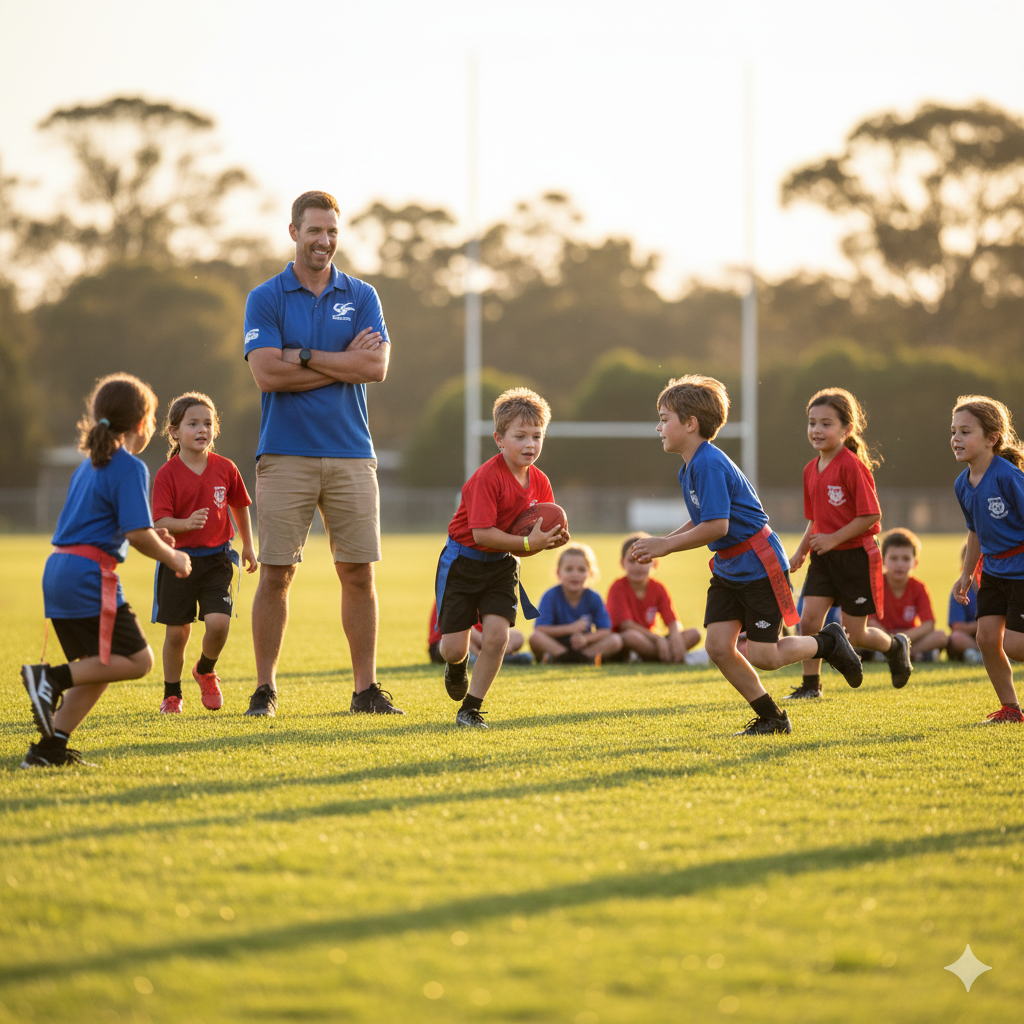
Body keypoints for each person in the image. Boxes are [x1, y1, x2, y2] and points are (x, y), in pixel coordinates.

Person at [630, 375, 863, 736]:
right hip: (728, 566)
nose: (658, 427)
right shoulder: (690, 466)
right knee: (719, 647)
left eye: (664, 418)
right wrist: (662, 540)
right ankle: (772, 717)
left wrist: (665, 546)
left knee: (764, 656)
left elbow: (717, 527)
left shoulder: (707, 463)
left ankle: (828, 641)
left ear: (690, 424)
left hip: (758, 564)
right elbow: (701, 519)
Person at [243, 191, 401, 717]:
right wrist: (340, 362)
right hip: (285, 453)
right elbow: (267, 373)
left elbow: (375, 369)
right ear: (293, 233)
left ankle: (365, 691)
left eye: (332, 231)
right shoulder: (265, 297)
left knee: (358, 573)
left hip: (352, 454)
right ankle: (265, 689)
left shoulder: (361, 295)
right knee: (276, 572)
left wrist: (304, 357)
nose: (324, 241)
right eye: (315, 231)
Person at [20, 374, 191, 767]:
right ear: (143, 422)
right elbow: (136, 534)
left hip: (60, 570)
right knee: (137, 661)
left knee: (98, 667)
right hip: (88, 576)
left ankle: (48, 751)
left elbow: (110, 521)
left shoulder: (91, 463)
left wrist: (152, 530)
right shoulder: (130, 466)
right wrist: (173, 556)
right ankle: (50, 681)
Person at [434, 388, 568, 728]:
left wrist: (550, 540)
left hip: (502, 564)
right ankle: (455, 665)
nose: (530, 444)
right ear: (499, 439)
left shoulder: (540, 481)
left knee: (497, 636)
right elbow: (482, 535)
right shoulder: (485, 479)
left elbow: (533, 536)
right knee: (451, 648)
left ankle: (471, 708)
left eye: (537, 436)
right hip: (463, 562)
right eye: (520, 436)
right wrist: (528, 544)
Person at [788, 389, 913, 697]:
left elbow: (871, 515)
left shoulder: (851, 465)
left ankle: (895, 646)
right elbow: (814, 519)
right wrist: (802, 550)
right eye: (812, 422)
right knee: (809, 622)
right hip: (824, 558)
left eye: (826, 423)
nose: (817, 430)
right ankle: (810, 686)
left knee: (856, 634)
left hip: (855, 557)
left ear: (847, 429)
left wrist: (832, 539)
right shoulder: (809, 469)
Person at [151, 392, 257, 714]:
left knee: (219, 625)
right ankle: (172, 694)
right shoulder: (166, 474)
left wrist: (249, 545)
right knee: (177, 634)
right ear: (174, 432)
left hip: (217, 560)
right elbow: (160, 522)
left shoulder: (225, 468)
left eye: (208, 423)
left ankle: (205, 670)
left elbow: (239, 505)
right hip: (178, 561)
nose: (202, 429)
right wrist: (185, 523)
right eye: (193, 423)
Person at [951, 395, 1024, 723]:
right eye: (953, 432)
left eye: (965, 432)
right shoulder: (961, 484)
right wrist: (967, 574)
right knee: (986, 638)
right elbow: (975, 532)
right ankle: (1011, 709)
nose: (956, 439)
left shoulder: (1008, 476)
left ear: (992, 438)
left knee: (1016, 646)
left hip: (1021, 569)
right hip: (992, 570)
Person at [605, 533, 701, 662]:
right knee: (631, 637)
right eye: (632, 560)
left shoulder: (658, 588)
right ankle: (668, 657)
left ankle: (658, 655)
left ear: (655, 564)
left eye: (644, 560)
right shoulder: (618, 587)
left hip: (652, 640)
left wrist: (675, 636)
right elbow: (626, 625)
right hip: (637, 639)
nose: (637, 566)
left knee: (695, 634)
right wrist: (657, 639)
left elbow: (672, 621)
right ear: (622, 563)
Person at [530, 544, 624, 664]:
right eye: (569, 569)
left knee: (616, 640)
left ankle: (583, 657)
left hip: (584, 644)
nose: (575, 574)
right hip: (557, 643)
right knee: (535, 638)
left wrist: (586, 638)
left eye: (581, 570)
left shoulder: (594, 597)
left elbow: (605, 630)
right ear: (558, 573)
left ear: (590, 573)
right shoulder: (550, 595)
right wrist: (570, 628)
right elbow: (540, 628)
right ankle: (563, 655)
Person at [869, 528, 948, 661]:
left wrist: (903, 638)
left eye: (905, 559)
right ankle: (910, 654)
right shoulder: (874, 585)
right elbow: (869, 621)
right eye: (894, 558)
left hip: (910, 638)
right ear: (882, 560)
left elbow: (928, 624)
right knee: (857, 635)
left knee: (941, 636)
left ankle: (900, 654)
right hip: (883, 636)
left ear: (915, 563)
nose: (899, 564)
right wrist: (888, 638)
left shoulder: (919, 587)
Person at [427, 601, 530, 665]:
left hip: (480, 639)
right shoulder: (454, 590)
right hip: (445, 642)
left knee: (517, 636)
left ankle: (490, 658)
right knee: (465, 634)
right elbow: (463, 627)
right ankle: (492, 659)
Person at [947, 543, 982, 663]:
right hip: (971, 639)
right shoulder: (960, 592)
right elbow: (957, 627)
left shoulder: (1000, 590)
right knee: (956, 638)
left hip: (995, 637)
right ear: (963, 569)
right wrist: (986, 624)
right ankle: (983, 655)